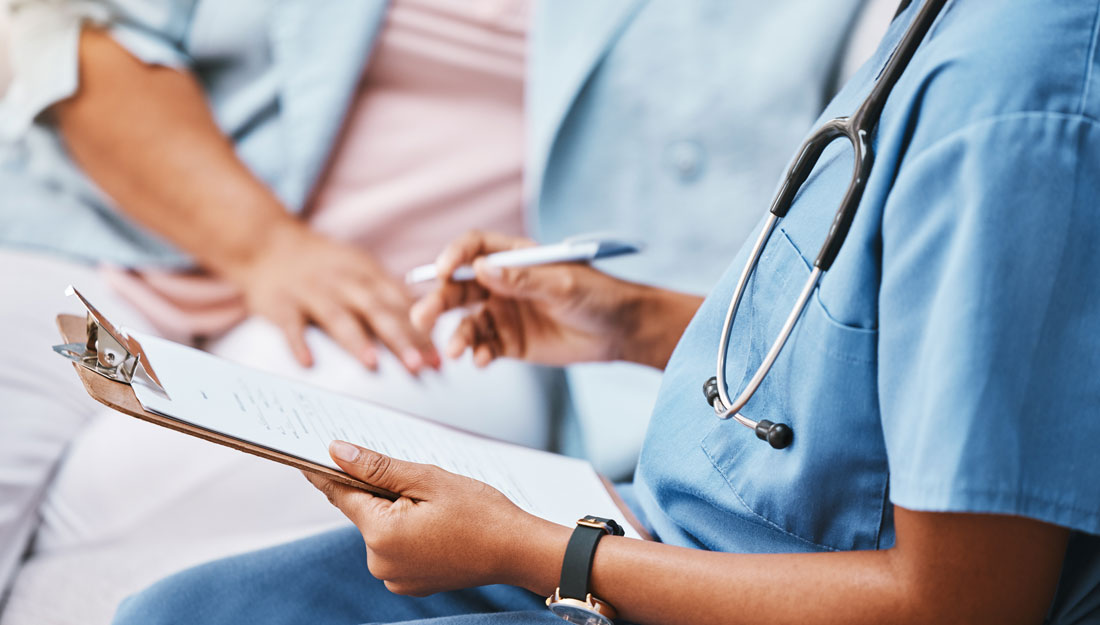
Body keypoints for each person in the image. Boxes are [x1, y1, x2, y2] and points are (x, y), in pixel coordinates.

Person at [109, 1, 1100, 623]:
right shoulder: (941, 24)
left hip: (709, 577)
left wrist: (537, 551)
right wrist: (625, 323)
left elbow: (960, 602)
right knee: (176, 609)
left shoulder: (1012, 111)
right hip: (660, 528)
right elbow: (884, 362)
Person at [0, 4, 871, 620]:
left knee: (105, 518)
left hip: (420, 318)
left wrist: (635, 324)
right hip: (118, 233)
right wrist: (266, 246)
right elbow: (76, 35)